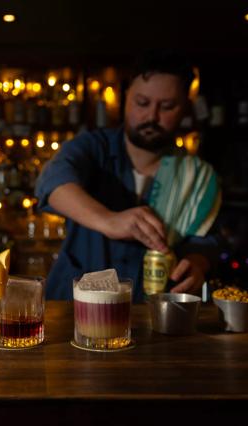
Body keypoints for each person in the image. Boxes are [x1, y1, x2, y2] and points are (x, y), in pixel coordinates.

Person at [35, 49, 222, 302]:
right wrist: (109, 220)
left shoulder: (197, 176)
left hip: (154, 315)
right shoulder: (92, 147)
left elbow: (205, 240)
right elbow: (52, 181)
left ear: (185, 110)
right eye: (142, 103)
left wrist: (196, 264)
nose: (152, 117)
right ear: (126, 98)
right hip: (75, 309)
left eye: (167, 107)